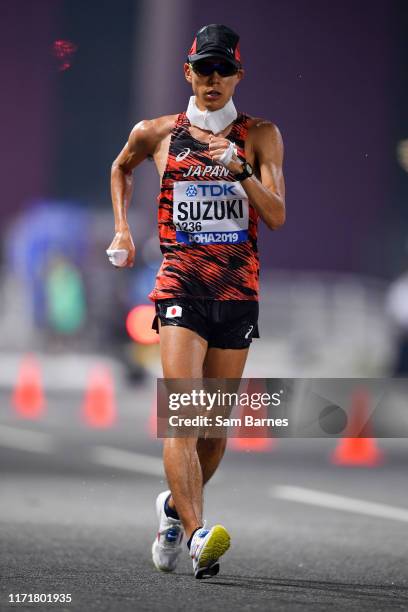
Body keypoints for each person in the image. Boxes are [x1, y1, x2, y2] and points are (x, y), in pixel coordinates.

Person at [108, 24, 286, 579]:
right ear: (187, 72)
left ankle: (170, 508)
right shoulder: (157, 132)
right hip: (181, 284)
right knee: (183, 417)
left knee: (213, 430)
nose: (212, 80)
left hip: (237, 292)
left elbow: (276, 215)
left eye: (223, 70)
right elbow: (120, 168)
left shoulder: (260, 135)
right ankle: (196, 534)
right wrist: (122, 231)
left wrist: (239, 172)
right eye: (203, 69)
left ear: (238, 75)